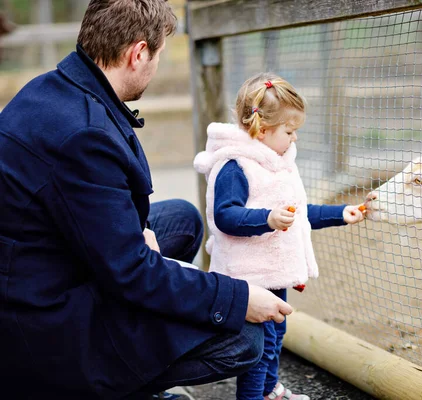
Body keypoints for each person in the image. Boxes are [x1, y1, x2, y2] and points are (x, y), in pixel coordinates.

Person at [0, 1, 293, 399]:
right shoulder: (85, 136)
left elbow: (82, 207)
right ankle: (111, 387)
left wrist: (137, 231)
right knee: (244, 335)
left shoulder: (49, 88)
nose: (155, 66)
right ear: (138, 53)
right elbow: (130, 273)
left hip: (40, 266)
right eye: (157, 54)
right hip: (42, 321)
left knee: (182, 220)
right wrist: (237, 297)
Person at [193, 72, 366, 400]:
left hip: (272, 273)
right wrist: (268, 219)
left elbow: (297, 215)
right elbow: (225, 217)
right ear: (261, 128)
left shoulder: (277, 164)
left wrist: (340, 214)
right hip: (248, 275)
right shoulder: (236, 166)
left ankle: (270, 390)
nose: (295, 139)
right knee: (259, 342)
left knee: (277, 332)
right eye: (289, 131)